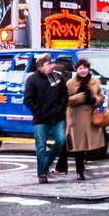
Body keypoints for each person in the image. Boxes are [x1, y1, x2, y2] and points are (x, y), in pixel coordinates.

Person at [59, 58, 105, 180]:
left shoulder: (95, 81)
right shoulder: (70, 83)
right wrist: (82, 97)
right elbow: (66, 100)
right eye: (80, 68)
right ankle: (80, 172)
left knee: (88, 145)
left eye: (85, 68)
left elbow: (101, 97)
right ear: (76, 69)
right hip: (76, 117)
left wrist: (94, 99)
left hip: (90, 117)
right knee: (78, 146)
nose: (83, 70)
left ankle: (83, 165)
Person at [24, 55, 67, 183]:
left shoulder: (58, 77)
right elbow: (28, 99)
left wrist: (60, 108)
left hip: (57, 117)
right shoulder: (32, 80)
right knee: (41, 146)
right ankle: (42, 173)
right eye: (49, 64)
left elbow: (64, 94)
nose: (52, 66)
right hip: (40, 119)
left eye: (52, 63)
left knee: (61, 140)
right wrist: (39, 111)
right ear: (41, 66)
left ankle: (47, 163)